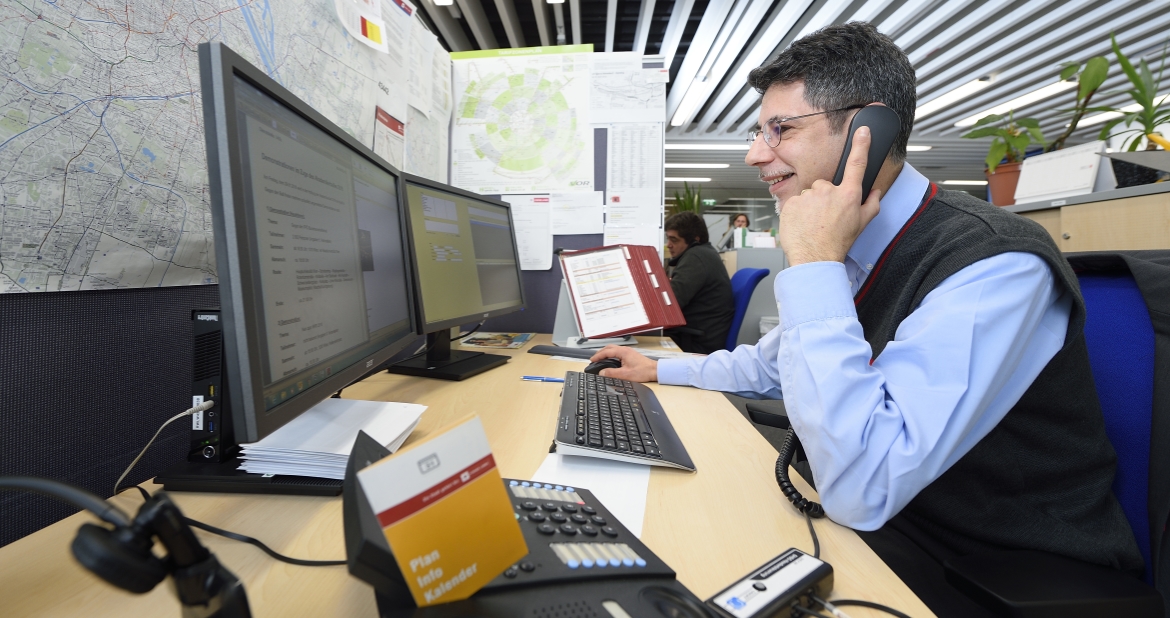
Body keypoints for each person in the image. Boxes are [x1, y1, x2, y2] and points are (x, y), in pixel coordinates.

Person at [592, 22, 1142, 617]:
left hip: (993, 566)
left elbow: (864, 485)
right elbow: (772, 364)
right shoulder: (854, 240)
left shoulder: (995, 262)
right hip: (886, 530)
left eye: (781, 129)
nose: (755, 153)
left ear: (866, 132)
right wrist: (662, 371)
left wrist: (814, 265)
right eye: (759, 130)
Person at [662, 211, 734, 354]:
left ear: (695, 239)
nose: (669, 245)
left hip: (695, 342)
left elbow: (669, 304)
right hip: (698, 335)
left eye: (674, 240)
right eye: (668, 239)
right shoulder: (704, 253)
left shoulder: (696, 257)